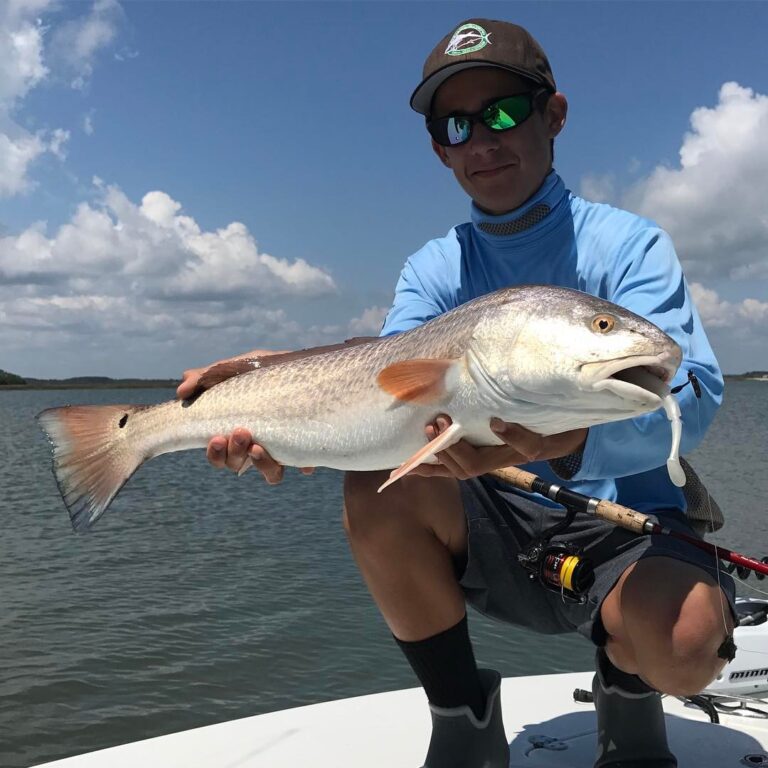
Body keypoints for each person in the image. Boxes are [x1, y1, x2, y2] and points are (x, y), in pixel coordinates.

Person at [177, 19, 737, 768]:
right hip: (494, 517)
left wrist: (571, 440)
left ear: (555, 116)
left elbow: (691, 395)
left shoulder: (627, 246)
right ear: (440, 148)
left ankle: (626, 694)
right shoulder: (434, 269)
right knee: (375, 481)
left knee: (690, 641)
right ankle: (463, 723)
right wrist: (283, 417)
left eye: (503, 111)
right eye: (456, 123)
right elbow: (386, 392)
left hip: (625, 528)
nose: (483, 139)